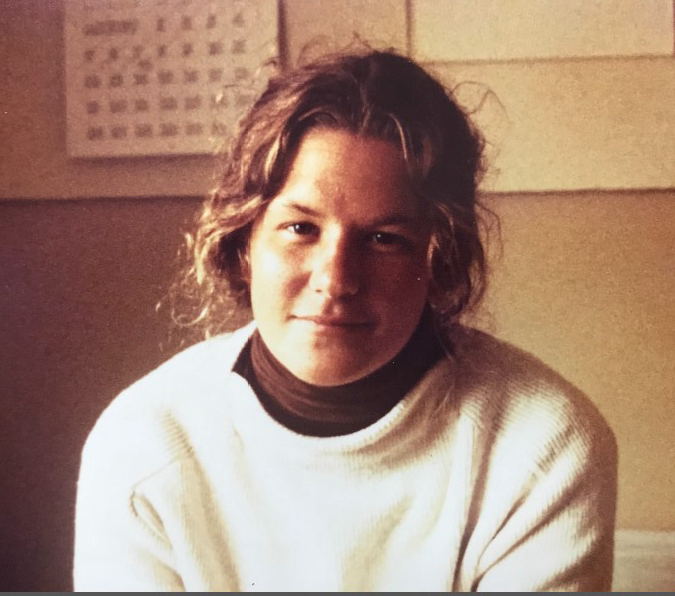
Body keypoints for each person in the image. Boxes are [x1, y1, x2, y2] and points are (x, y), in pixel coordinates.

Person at [73, 50, 617, 591]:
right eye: (301, 229)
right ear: (243, 244)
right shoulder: (143, 441)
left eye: (384, 239)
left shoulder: (541, 445)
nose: (335, 279)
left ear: (440, 261)